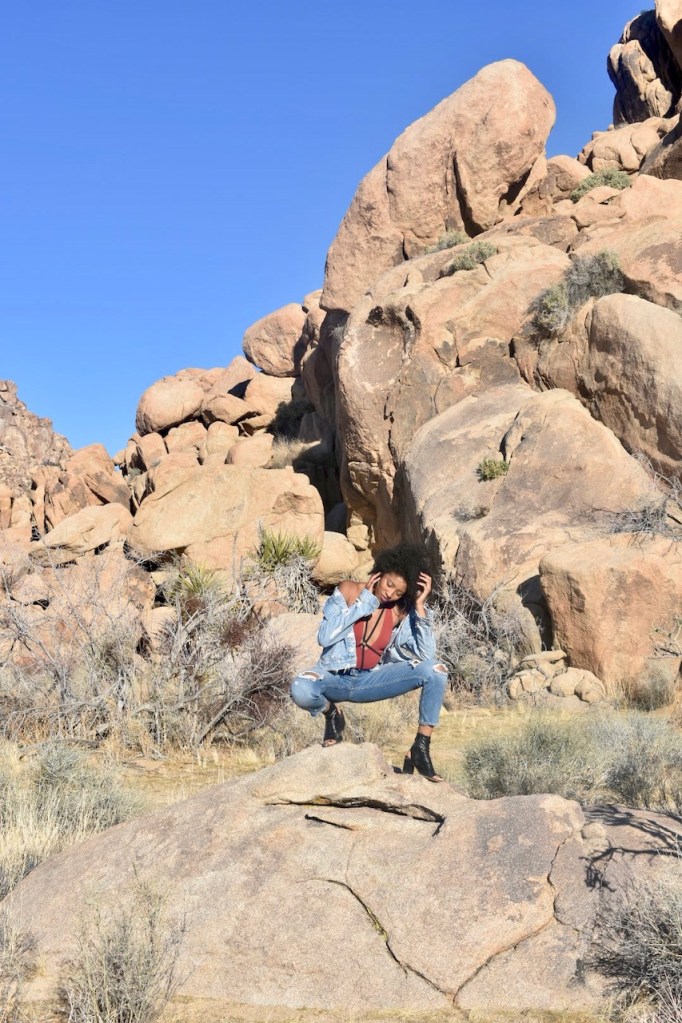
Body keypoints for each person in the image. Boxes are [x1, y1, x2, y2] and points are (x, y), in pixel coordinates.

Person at [290, 543, 448, 782]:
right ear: (380, 573)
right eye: (389, 584)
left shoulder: (398, 611)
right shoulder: (348, 591)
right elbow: (325, 637)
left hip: (370, 680)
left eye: (399, 593)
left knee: (436, 670)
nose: (390, 594)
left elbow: (426, 656)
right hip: (334, 677)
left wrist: (419, 606)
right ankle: (332, 713)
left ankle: (420, 748)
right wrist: (364, 603)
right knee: (301, 688)